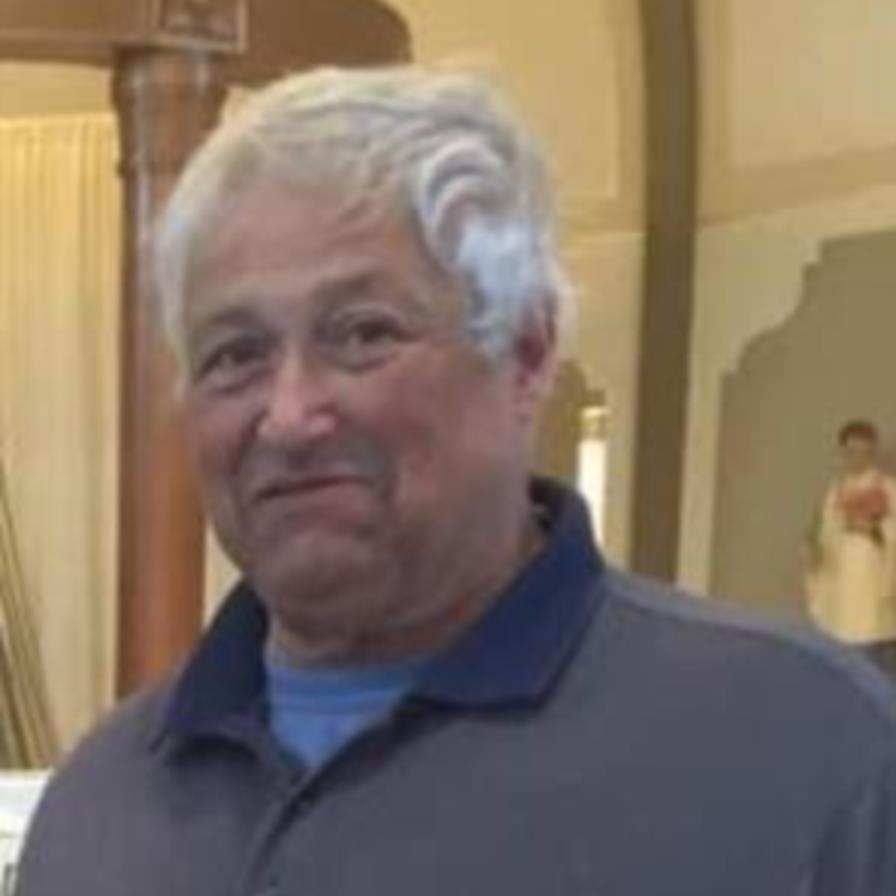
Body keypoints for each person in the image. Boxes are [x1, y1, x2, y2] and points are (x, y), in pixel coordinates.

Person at [16, 68, 896, 896]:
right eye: (235, 354)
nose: (288, 416)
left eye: (362, 334)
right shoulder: (103, 802)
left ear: (526, 352)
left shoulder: (804, 754)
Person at [806, 420, 896, 676]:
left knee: (871, 661)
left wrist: (875, 530)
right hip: (839, 585)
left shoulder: (888, 489)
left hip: (871, 583)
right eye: (851, 451)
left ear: (872, 451)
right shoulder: (834, 491)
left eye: (863, 451)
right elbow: (824, 533)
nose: (857, 458)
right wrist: (816, 551)